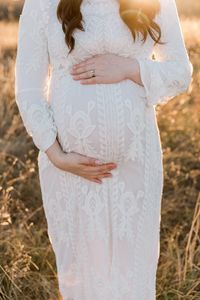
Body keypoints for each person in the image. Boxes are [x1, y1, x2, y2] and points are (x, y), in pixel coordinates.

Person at [15, 0, 193, 299]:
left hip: (136, 166)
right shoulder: (43, 3)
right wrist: (56, 155)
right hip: (71, 172)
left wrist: (129, 67)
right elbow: (28, 89)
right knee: (82, 277)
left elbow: (180, 73)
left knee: (132, 277)